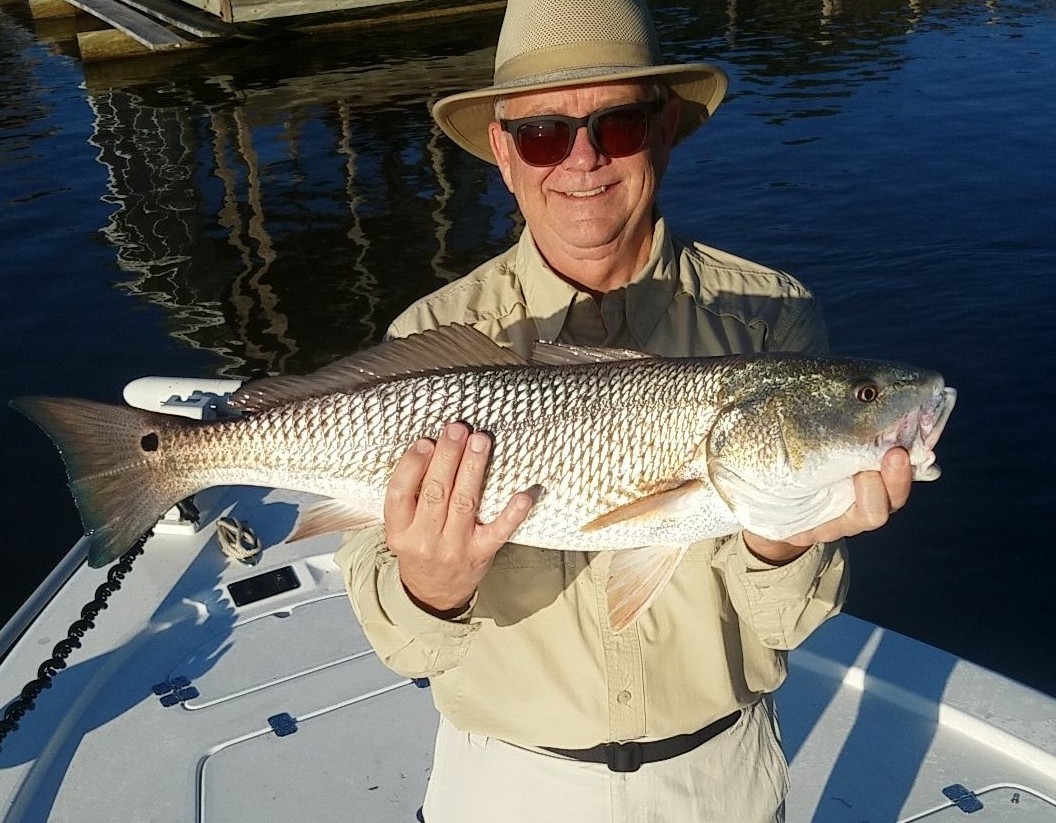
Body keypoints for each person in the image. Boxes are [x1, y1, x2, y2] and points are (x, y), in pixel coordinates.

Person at [335, 0, 913, 820]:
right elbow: (400, 641)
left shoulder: (770, 320)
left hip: (723, 781)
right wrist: (429, 587)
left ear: (666, 128)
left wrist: (781, 535)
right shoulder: (429, 340)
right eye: (542, 133)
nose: (582, 160)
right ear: (502, 151)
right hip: (504, 785)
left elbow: (784, 620)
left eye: (618, 126)